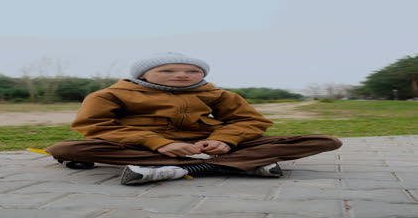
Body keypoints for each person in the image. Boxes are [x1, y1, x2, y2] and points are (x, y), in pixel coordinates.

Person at [46, 52, 342, 185]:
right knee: (66, 149)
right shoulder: (109, 94)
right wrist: (157, 143)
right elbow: (94, 127)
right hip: (143, 147)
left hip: (207, 145)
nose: (182, 75)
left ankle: (170, 170)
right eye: (167, 70)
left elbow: (250, 122)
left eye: (192, 71)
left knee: (324, 140)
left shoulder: (219, 94)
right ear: (142, 74)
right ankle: (241, 167)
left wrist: (224, 140)